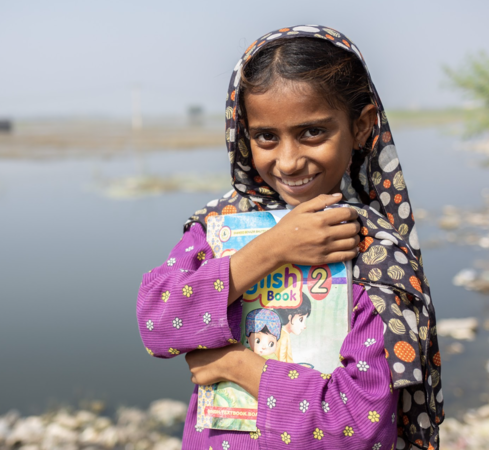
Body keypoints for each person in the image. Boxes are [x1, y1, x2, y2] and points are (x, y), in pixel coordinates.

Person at [136, 25, 443, 449]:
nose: (289, 161)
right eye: (266, 137)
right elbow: (157, 323)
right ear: (244, 134)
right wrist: (271, 249)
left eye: (312, 132)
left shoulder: (375, 254)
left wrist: (241, 366)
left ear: (360, 127)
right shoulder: (219, 230)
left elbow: (355, 425)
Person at [277, 292, 312, 364]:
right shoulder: (282, 337)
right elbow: (281, 361)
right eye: (301, 320)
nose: (304, 326)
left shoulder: (284, 334)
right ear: (290, 317)